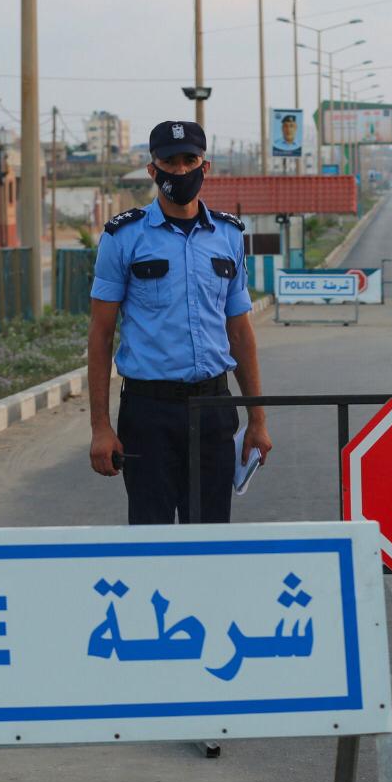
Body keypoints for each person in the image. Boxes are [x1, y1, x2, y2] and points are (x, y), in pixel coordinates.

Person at [87, 119, 274, 524]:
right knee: (151, 537)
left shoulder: (228, 236)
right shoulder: (123, 237)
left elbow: (240, 333)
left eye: (190, 159)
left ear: (205, 167)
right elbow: (100, 337)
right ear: (152, 170)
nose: (180, 170)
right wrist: (100, 427)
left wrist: (257, 420)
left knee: (210, 537)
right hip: (147, 413)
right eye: (169, 162)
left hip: (212, 409)